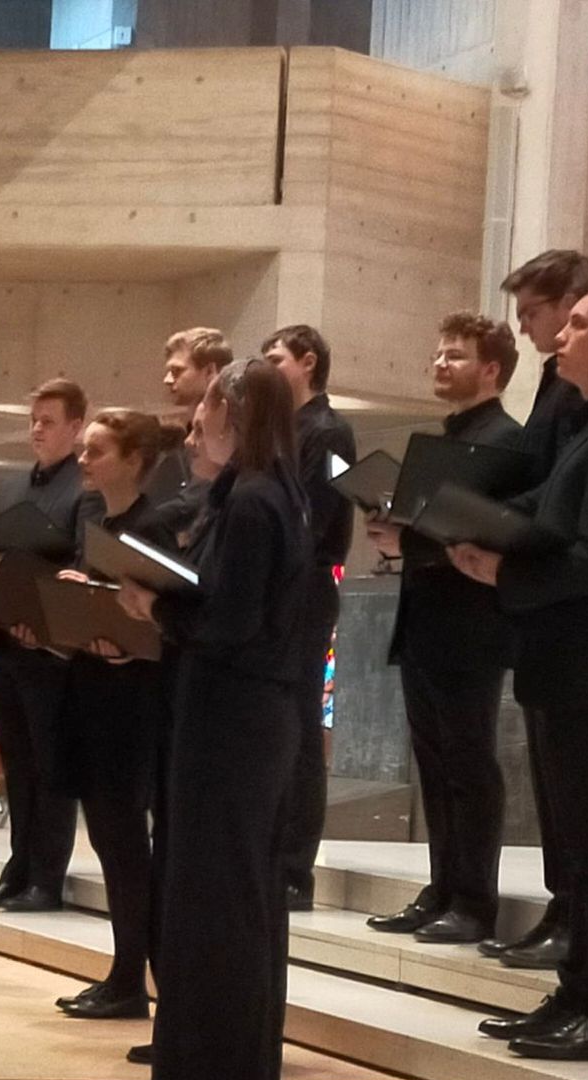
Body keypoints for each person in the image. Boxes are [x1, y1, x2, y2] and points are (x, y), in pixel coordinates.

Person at [452, 278, 588, 1062]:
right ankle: (576, 993)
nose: (562, 336)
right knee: (575, 844)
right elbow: (542, 511)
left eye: (578, 324)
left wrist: (500, 573)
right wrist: (457, 520)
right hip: (563, 661)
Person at [120, 358, 311, 1080]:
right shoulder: (260, 493)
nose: (194, 420)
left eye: (206, 404)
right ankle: (233, 1072)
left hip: (232, 718)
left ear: (236, 411)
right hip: (244, 714)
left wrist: (154, 608)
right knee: (232, 892)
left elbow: (231, 621)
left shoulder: (255, 501)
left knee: (217, 895)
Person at [363, 314, 525, 945]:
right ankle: (442, 888)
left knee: (469, 764)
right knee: (434, 762)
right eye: (438, 353)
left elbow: (487, 529)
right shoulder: (446, 439)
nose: (439, 363)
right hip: (426, 619)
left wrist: (408, 539)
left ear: (491, 369)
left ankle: (474, 901)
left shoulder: (506, 442)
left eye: (454, 356)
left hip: (471, 625)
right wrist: (394, 527)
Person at [478, 247, 588, 970]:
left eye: (533, 313)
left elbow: (559, 493)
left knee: (577, 796)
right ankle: (563, 906)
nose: (525, 328)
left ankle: (576, 915)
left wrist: (492, 520)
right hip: (544, 610)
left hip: (572, 617)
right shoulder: (558, 380)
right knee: (553, 782)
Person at [51, 410, 181, 1020]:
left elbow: (162, 616)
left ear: (134, 460)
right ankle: (125, 972)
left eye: (95, 450)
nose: (83, 460)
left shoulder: (154, 524)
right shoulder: (98, 520)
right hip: (94, 688)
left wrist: (116, 626)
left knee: (125, 844)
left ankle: (135, 977)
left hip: (131, 699)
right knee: (109, 840)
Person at [0, 378, 86, 916]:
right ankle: (18, 869)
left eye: (48, 421)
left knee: (50, 765)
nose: (37, 430)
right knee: (17, 763)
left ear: (76, 427)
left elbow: (80, 567)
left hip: (49, 646)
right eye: (33, 420)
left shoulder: (83, 487)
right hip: (5, 641)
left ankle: (46, 876)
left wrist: (43, 619)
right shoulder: (12, 486)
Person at [262, 323, 356, 911]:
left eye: (276, 358)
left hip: (306, 585)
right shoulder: (279, 430)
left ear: (308, 362)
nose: (267, 368)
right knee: (275, 726)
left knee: (298, 729)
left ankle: (296, 869)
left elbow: (316, 517)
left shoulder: (329, 430)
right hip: (276, 588)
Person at [149, 327, 235, 505]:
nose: (167, 380)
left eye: (177, 371)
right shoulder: (185, 429)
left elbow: (201, 498)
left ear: (210, 371)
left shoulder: (230, 431)